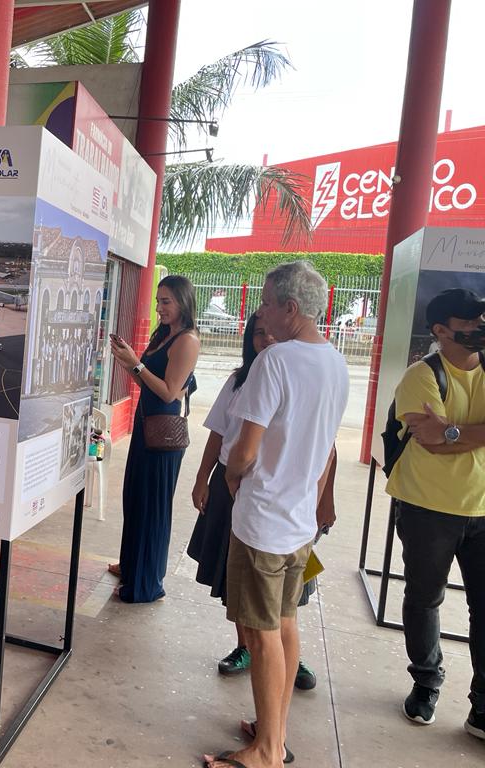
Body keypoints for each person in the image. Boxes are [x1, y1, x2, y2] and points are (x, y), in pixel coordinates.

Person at [205, 261, 347, 768]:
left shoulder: (276, 361)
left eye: (266, 302)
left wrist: (232, 475)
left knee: (262, 634)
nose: (260, 311)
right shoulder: (335, 362)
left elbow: (244, 448)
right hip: (298, 522)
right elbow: (326, 448)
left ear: (290, 308)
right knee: (285, 623)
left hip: (262, 519)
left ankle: (266, 750)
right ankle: (274, 730)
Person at [187, 314, 327, 692]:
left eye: (270, 331)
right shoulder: (239, 381)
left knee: (291, 586)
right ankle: (246, 646)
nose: (265, 339)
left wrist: (323, 499)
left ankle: (283, 654)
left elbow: (324, 446)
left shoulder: (301, 376)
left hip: (286, 495)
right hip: (234, 488)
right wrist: (204, 480)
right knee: (235, 577)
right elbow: (218, 435)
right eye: (257, 334)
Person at [386, 288, 485, 740]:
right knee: (425, 599)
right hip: (428, 508)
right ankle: (426, 681)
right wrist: (456, 433)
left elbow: (444, 434)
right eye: (468, 325)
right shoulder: (421, 375)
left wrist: (452, 430)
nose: (479, 330)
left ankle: (482, 704)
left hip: (482, 508)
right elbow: (427, 438)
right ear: (441, 331)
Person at [108, 275, 200, 603]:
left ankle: (145, 582)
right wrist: (127, 360)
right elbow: (146, 379)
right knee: (136, 498)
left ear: (183, 303)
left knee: (152, 506)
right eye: (158, 301)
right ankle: (133, 564)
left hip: (163, 433)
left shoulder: (187, 340)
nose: (160, 308)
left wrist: (135, 365)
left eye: (166, 302)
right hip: (146, 424)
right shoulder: (164, 334)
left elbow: (170, 392)